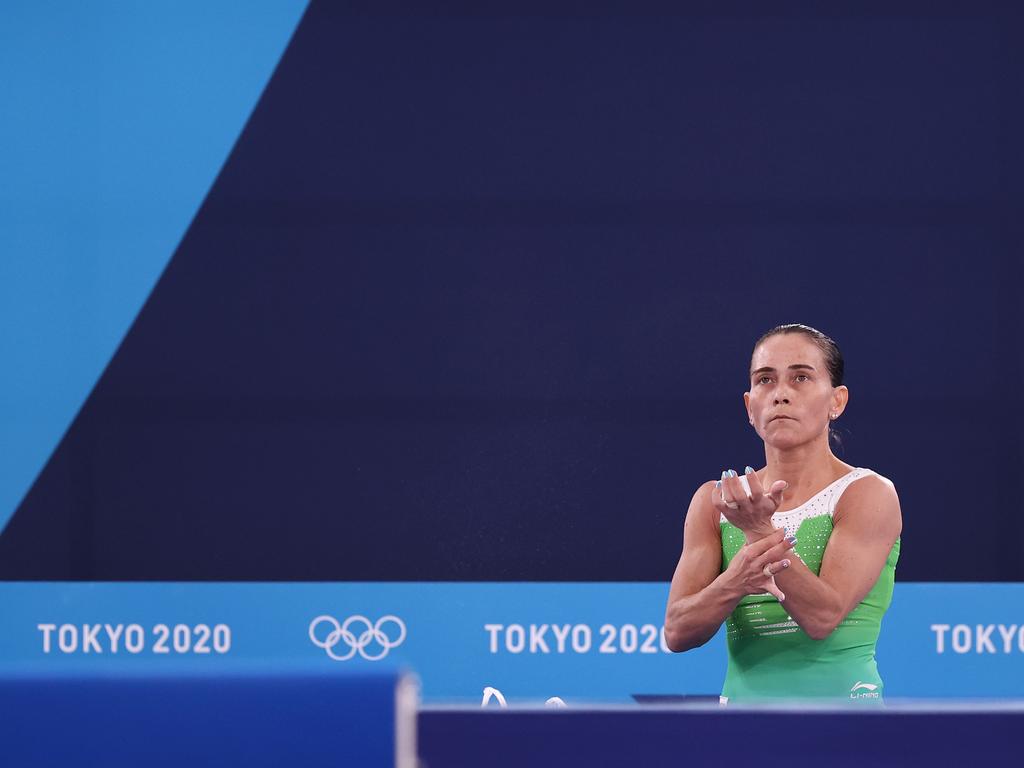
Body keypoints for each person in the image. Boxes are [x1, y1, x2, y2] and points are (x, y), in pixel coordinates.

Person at [663, 323, 902, 704]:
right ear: (749, 406)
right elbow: (677, 632)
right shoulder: (715, 502)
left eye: (801, 377)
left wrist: (759, 531)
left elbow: (823, 617)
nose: (780, 395)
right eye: (765, 381)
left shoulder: (868, 493)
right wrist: (736, 580)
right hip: (741, 735)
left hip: (844, 732)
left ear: (836, 401)